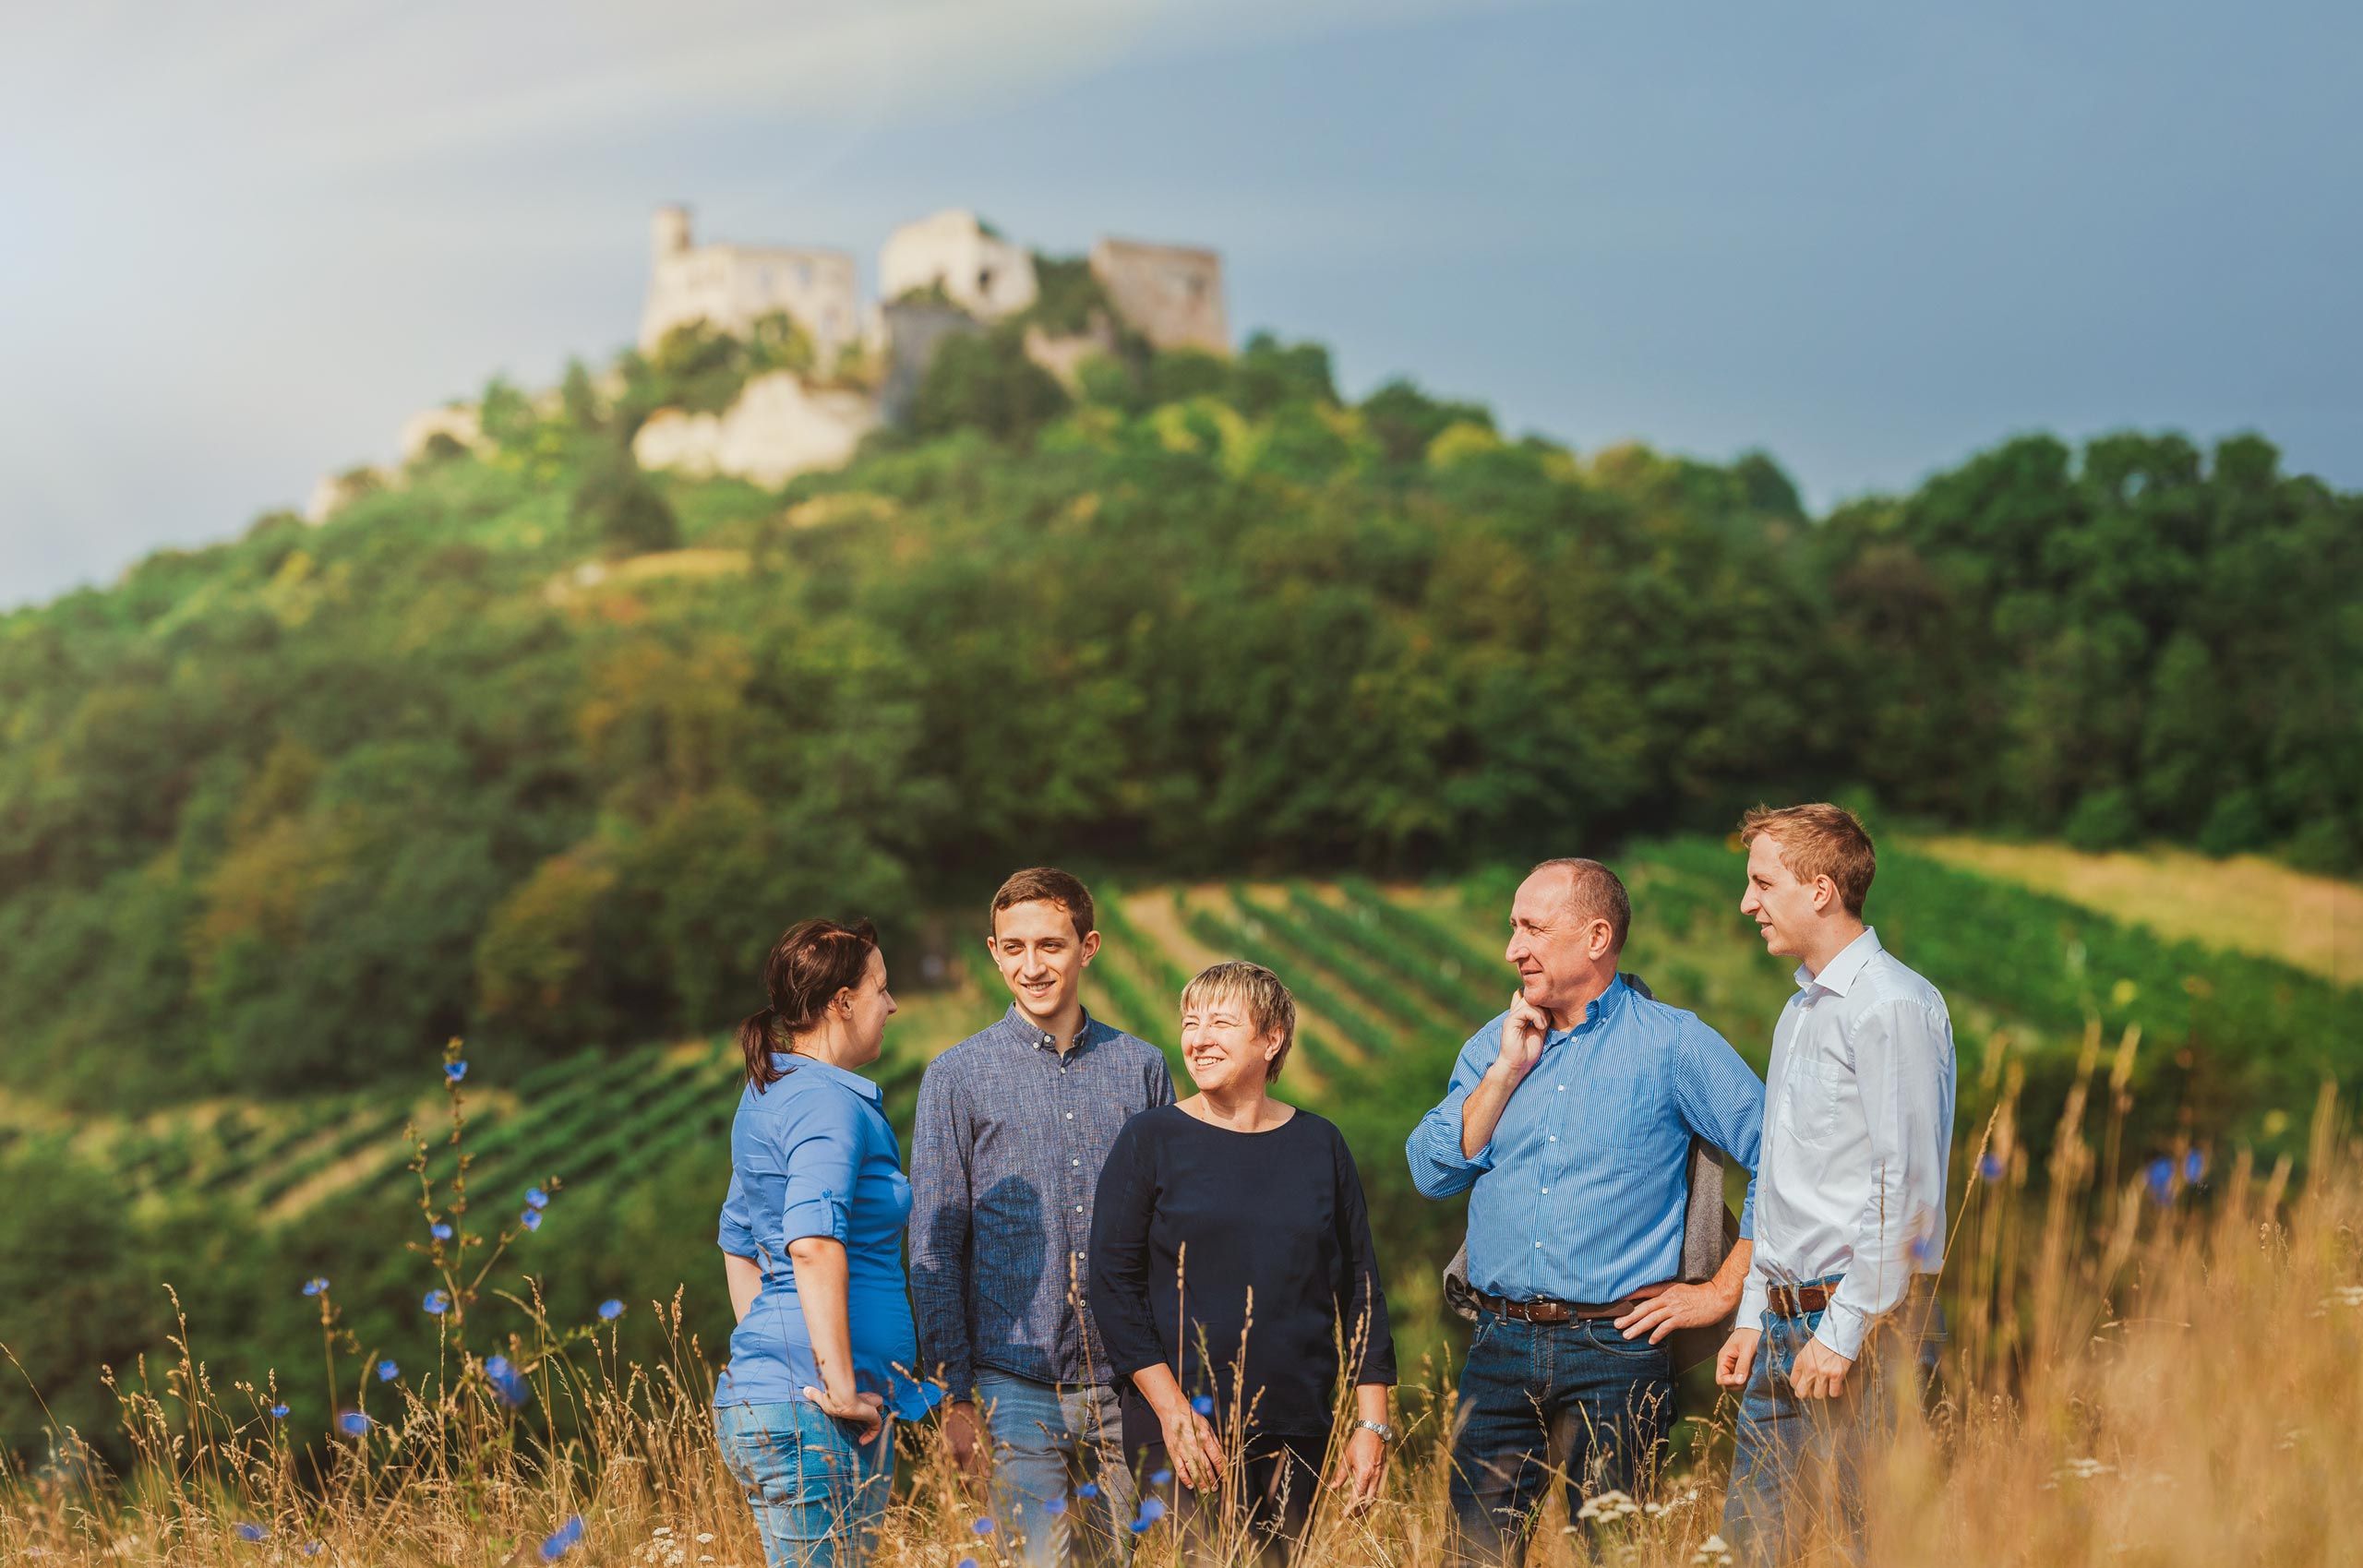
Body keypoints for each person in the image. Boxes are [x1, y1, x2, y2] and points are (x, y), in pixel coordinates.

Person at [1406, 858, 1766, 1564]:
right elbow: (1430, 1170)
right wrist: (1507, 1070)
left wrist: (1725, 1290)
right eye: (1513, 928)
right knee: (1472, 1555)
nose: (1514, 948)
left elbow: (1782, 1154)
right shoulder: (1493, 1042)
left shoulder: (1674, 1041)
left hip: (1617, 1350)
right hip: (1498, 1343)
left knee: (1615, 1553)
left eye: (1533, 928)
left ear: (1597, 936)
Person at [1089, 962, 1396, 1567]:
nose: (1198, 1037)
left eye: (1221, 1022)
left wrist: (1372, 1424)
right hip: (1179, 1422)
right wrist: (1173, 1413)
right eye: (1190, 1022)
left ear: (1272, 1037)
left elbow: (1360, 1285)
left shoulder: (1321, 1143)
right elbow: (1112, 1285)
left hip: (1297, 1421)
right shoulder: (1149, 1139)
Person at [909, 869, 1175, 1566]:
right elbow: (936, 1241)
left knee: (1119, 1559)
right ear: (993, 951)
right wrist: (953, 1394)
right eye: (1016, 947)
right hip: (1011, 1379)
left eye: (1051, 945)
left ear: (1087, 947)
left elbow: (1166, 1232)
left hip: (1125, 1378)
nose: (1033, 965)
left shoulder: (1143, 1069)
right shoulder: (955, 1076)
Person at [1715, 805, 1955, 1563]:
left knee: (1874, 1547)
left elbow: (1907, 1188)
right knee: (1751, 1552)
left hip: (1868, 1333)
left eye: (1762, 882)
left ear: (1821, 889)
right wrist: (1755, 1310)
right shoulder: (1800, 1010)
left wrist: (1842, 1331)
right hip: (1784, 1329)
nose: (1748, 902)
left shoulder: (1892, 1004)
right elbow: (1782, 1178)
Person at [714, 918, 939, 1568]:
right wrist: (834, 1382)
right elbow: (811, 1242)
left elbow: (738, 1243)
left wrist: (782, 1347)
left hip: (792, 1404)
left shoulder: (772, 1092)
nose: (891, 1005)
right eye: (880, 990)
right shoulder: (823, 1104)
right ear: (842, 1002)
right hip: (821, 1414)